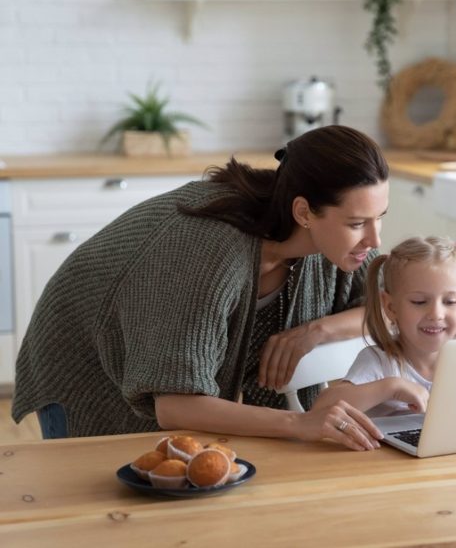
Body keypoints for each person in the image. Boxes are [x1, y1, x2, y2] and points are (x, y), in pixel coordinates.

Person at [11, 125, 387, 451]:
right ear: (304, 212)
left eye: (379, 219)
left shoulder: (337, 245)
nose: (374, 238)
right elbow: (176, 405)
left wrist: (315, 331)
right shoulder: (207, 251)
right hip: (85, 364)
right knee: (103, 514)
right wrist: (299, 424)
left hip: (157, 366)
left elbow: (392, 305)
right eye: (357, 223)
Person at [312, 236, 456, 417]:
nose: (436, 314)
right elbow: (321, 409)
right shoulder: (380, 361)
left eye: (450, 302)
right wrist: (389, 387)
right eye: (419, 302)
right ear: (391, 307)